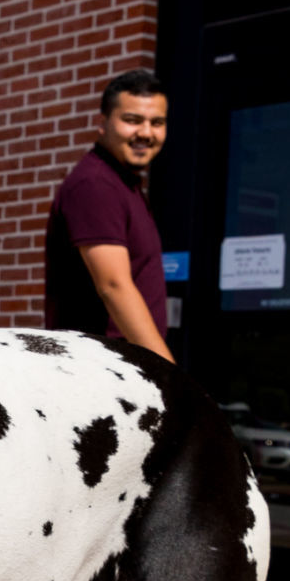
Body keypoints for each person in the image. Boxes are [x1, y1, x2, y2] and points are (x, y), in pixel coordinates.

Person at [44, 68, 173, 362]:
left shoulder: (123, 184)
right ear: (102, 123)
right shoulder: (95, 184)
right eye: (132, 120)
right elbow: (114, 286)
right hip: (97, 368)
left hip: (118, 365)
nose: (146, 133)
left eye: (157, 122)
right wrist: (167, 373)